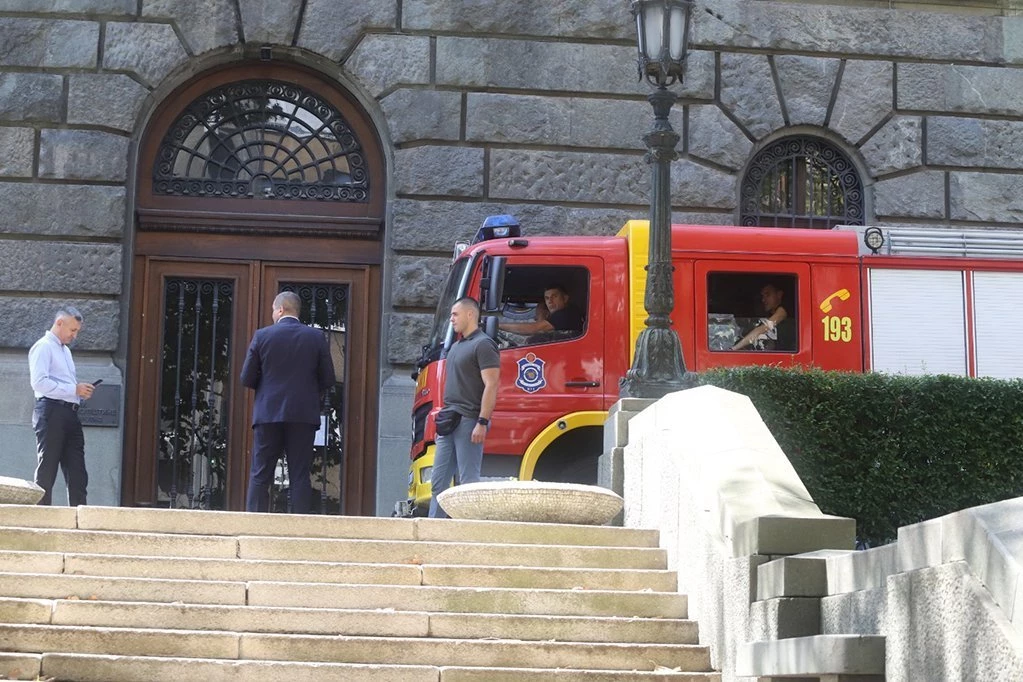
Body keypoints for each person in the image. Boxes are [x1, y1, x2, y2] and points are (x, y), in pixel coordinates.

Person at [241, 291, 334, 514]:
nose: (273, 314)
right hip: (303, 415)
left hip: (268, 414)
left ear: (280, 309)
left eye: (273, 310)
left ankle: (254, 523)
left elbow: (246, 377)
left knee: (260, 473)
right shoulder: (316, 337)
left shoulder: (262, 336)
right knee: (299, 473)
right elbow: (328, 378)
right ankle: (298, 527)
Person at [429, 297, 500, 518]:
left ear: (470, 315)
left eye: (455, 314)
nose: (451, 319)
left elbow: (492, 384)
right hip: (449, 420)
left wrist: (482, 421)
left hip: (470, 421)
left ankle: (469, 535)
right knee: (438, 484)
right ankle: (432, 534)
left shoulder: (484, 344)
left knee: (468, 484)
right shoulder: (455, 347)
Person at [28, 306, 96, 506]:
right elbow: (39, 383)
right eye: (72, 330)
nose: (74, 336)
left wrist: (79, 394)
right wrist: (74, 390)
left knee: (77, 470)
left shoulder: (65, 351)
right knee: (47, 467)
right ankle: (41, 517)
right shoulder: (43, 347)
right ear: (59, 323)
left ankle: (79, 513)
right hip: (50, 411)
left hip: (70, 413)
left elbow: (66, 386)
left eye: (77, 331)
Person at [500, 284, 584, 336]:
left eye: (554, 296)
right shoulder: (568, 312)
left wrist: (498, 326)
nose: (550, 301)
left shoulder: (565, 314)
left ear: (565, 298)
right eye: (547, 298)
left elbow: (535, 329)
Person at [733, 282, 789, 351]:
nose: (763, 300)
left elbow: (765, 327)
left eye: (767, 295)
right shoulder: (769, 314)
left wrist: (734, 348)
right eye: (762, 296)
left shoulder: (785, 309)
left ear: (779, 294)